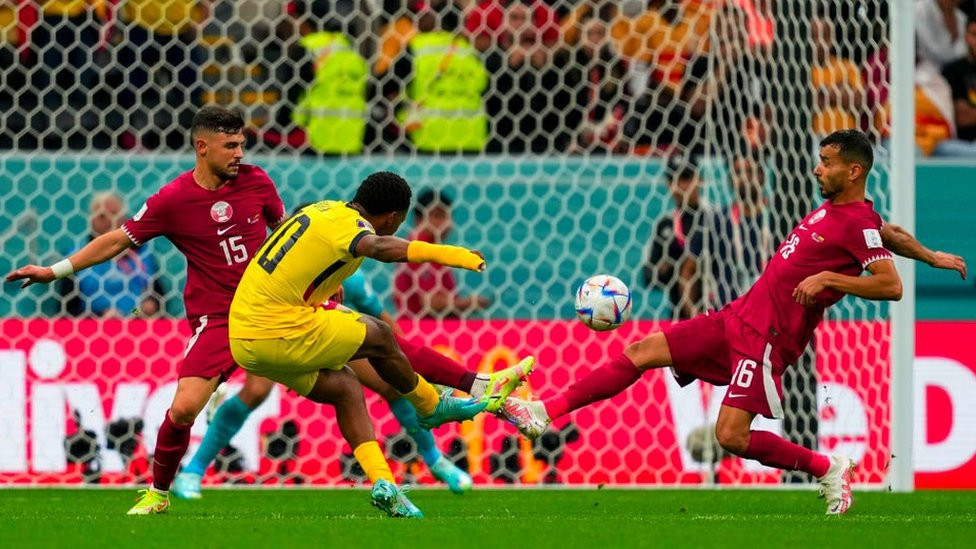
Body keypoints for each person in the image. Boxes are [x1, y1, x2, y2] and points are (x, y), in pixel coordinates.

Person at [501, 130, 968, 515]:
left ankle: (828, 468)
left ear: (854, 171)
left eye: (826, 162)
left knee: (730, 436)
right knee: (643, 351)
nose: (816, 168)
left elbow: (890, 286)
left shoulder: (853, 222)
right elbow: (889, 233)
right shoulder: (847, 213)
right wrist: (931, 255)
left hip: (766, 339)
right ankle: (544, 412)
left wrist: (829, 278)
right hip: (737, 318)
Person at [6, 106, 287, 515]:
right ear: (202, 146)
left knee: (348, 374)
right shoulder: (173, 200)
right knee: (186, 408)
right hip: (219, 320)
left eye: (242, 144)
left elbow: (289, 239)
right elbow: (116, 241)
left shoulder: (257, 182)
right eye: (230, 145)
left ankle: (387, 471)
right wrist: (55, 270)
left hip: (271, 309)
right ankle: (159, 493)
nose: (240, 153)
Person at [225, 172, 506, 517]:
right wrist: (450, 254)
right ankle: (431, 406)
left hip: (243, 338)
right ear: (393, 217)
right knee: (380, 336)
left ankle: (384, 483)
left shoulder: (322, 210)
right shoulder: (355, 227)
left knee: (344, 386)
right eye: (399, 222)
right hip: (278, 327)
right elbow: (378, 248)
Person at [173, 260, 533, 500]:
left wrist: (402, 355)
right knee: (255, 390)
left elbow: (379, 319)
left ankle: (435, 460)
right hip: (278, 337)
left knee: (391, 383)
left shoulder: (349, 274)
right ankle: (193, 470)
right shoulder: (276, 274)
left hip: (327, 335)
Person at [59, 192, 168, 317]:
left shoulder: (142, 253)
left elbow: (159, 296)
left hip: (135, 317)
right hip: (92, 327)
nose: (110, 221)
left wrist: (149, 306)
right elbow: (66, 310)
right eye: (102, 216)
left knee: (136, 312)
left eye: (115, 214)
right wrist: (100, 315)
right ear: (91, 220)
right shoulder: (75, 256)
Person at [394, 188, 491, 317]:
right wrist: (469, 303)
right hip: (424, 330)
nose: (447, 223)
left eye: (449, 216)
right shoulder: (418, 249)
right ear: (418, 219)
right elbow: (431, 303)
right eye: (438, 216)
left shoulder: (430, 248)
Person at [942, 15, 976, 144]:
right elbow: (962, 117)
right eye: (974, 34)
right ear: (966, 37)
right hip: (962, 144)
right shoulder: (953, 71)